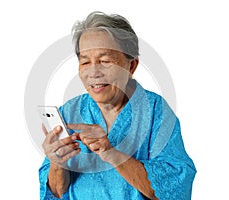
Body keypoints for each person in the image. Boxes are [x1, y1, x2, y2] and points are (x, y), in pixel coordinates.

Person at [39, 11, 196, 200]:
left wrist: (111, 153)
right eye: (85, 62)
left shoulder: (156, 111)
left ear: (131, 66)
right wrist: (57, 163)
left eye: (105, 61)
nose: (94, 72)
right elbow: (55, 192)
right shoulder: (69, 111)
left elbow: (174, 189)